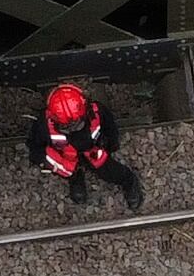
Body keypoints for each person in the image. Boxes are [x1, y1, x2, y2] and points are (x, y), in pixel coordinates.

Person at [29, 83, 144, 213]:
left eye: (78, 122)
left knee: (107, 168)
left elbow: (111, 129)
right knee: (68, 170)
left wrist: (111, 146)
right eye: (66, 127)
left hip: (93, 150)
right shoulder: (43, 125)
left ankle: (129, 180)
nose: (74, 128)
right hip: (67, 157)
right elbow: (35, 149)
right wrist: (57, 163)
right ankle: (76, 178)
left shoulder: (97, 112)